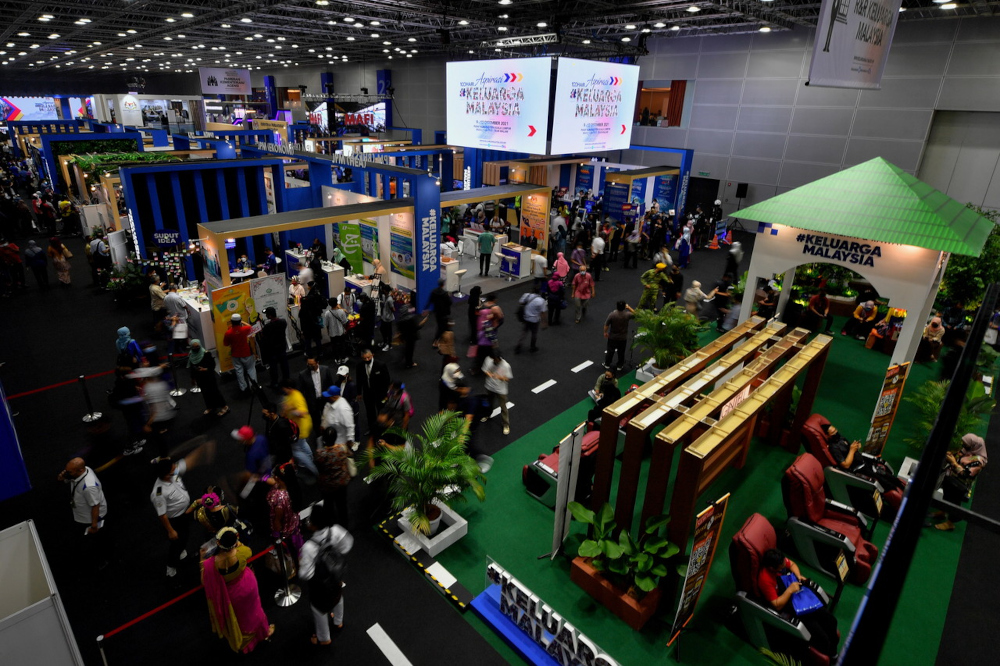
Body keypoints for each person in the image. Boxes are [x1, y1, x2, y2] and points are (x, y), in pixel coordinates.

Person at [201, 527, 274, 653]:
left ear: (218, 543)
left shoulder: (211, 564)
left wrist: (202, 560)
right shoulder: (241, 553)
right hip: (248, 585)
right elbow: (249, 551)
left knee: (241, 617)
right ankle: (263, 631)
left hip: (232, 594)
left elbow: (204, 581)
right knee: (255, 609)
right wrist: (238, 544)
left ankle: (246, 642)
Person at [758, 549, 839, 657]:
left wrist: (798, 576)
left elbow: (792, 564)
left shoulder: (779, 560)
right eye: (781, 567)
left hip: (799, 598)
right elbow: (777, 605)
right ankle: (828, 655)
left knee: (831, 621)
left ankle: (832, 650)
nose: (784, 567)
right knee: (821, 636)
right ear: (771, 568)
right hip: (789, 607)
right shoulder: (765, 579)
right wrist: (790, 590)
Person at [298, 508, 353, 646]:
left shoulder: (309, 547)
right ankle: (338, 621)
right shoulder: (335, 531)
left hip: (320, 584)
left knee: (319, 609)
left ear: (314, 525)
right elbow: (347, 545)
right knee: (338, 596)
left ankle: (324, 638)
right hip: (335, 575)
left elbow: (306, 574)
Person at [821, 424, 904, 508]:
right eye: (833, 432)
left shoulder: (841, 438)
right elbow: (845, 465)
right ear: (827, 435)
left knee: (893, 479)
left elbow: (851, 451)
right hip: (859, 470)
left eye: (835, 430)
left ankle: (904, 490)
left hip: (866, 464)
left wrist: (856, 447)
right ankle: (901, 502)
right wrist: (852, 450)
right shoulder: (833, 448)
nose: (836, 433)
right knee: (887, 485)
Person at [151, 450, 205, 577]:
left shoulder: (172, 474)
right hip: (176, 520)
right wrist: (170, 530)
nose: (175, 467)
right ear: (165, 474)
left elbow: (187, 463)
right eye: (173, 467)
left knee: (184, 537)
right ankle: (171, 570)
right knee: (177, 543)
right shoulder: (158, 493)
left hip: (185, 511)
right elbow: (162, 514)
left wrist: (199, 453)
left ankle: (182, 555)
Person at [58, 457, 108, 570]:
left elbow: (95, 506)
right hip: (81, 514)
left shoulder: (89, 487)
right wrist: (64, 477)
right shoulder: (84, 471)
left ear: (80, 470)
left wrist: (94, 525)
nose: (67, 473)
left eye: (69, 472)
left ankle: (100, 561)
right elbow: (72, 479)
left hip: (89, 519)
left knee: (93, 541)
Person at [932, 433, 987, 532]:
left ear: (973, 445)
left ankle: (950, 523)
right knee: (946, 496)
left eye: (965, 444)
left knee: (954, 502)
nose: (963, 446)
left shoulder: (978, 461)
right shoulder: (967, 450)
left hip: (959, 484)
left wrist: (953, 462)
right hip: (950, 478)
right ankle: (943, 512)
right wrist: (951, 455)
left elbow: (965, 474)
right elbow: (957, 455)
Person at [315, 427, 353, 529]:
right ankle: (345, 525)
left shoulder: (320, 454)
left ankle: (330, 524)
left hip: (327, 484)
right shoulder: (342, 448)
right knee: (342, 504)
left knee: (328, 504)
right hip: (342, 481)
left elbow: (318, 465)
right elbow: (350, 454)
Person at [279, 380, 317, 479]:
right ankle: (310, 458)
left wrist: (291, 409)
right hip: (299, 427)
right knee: (303, 444)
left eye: (284, 388)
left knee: (295, 450)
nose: (283, 390)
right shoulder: (291, 395)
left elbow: (302, 412)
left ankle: (311, 467)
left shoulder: (297, 397)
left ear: (289, 387)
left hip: (299, 429)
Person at [267, 463, 303, 558]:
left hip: (285, 530)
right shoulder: (293, 486)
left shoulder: (279, 499)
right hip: (294, 523)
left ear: (279, 479)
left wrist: (276, 536)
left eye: (275, 476)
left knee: (288, 549)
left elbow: (277, 522)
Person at [188, 339, 228, 417]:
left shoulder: (206, 353)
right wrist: (192, 378)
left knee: (215, 392)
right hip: (199, 378)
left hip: (209, 377)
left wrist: (205, 369)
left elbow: (212, 365)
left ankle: (224, 407)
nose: (196, 348)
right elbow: (192, 367)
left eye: (197, 346)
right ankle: (210, 407)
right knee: (205, 393)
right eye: (194, 347)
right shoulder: (191, 355)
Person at [297, 355, 336, 435]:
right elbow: (300, 390)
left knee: (327, 418)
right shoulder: (303, 374)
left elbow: (330, 384)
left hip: (324, 399)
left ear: (317, 363)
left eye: (312, 364)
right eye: (308, 364)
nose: (310, 366)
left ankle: (328, 435)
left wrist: (332, 399)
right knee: (316, 421)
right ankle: (318, 436)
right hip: (312, 402)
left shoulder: (325, 370)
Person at [357, 349, 391, 433]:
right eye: (364, 358)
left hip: (380, 393)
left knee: (381, 410)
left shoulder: (380, 365)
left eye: (368, 357)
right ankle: (372, 428)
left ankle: (382, 429)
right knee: (369, 411)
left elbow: (387, 380)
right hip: (367, 393)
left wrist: (387, 393)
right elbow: (359, 380)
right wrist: (359, 393)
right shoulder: (360, 366)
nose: (367, 360)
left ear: (372, 355)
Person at [223, 314, 258, 394]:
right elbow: (250, 326)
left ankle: (243, 388)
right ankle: (253, 387)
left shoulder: (228, 332)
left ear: (231, 322)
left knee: (239, 371)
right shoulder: (245, 329)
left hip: (235, 354)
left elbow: (226, 344)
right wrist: (242, 321)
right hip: (247, 353)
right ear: (240, 321)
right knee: (251, 369)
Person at [482, 349, 512, 435]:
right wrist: (489, 374)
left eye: (495, 359)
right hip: (490, 387)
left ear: (499, 358)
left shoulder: (506, 366)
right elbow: (485, 370)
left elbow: (507, 378)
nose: (494, 361)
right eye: (493, 359)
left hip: (501, 390)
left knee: (503, 407)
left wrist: (499, 377)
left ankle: (506, 424)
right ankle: (487, 415)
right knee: (489, 403)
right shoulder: (488, 359)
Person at [259, 307, 289, 388]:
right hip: (282, 347)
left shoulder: (268, 326)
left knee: (273, 367)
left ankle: (275, 382)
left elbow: (263, 336)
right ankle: (287, 380)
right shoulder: (283, 322)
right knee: (284, 365)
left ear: (269, 316)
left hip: (272, 350)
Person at [515, 287, 548, 354]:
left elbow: (520, 302)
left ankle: (518, 346)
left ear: (531, 290)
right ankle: (532, 347)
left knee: (524, 332)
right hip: (535, 320)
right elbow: (543, 312)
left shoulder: (526, 295)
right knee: (534, 333)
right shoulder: (541, 301)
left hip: (526, 318)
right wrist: (544, 322)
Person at [604, 301, 635, 371]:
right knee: (621, 352)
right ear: (624, 307)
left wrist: (605, 332)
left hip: (613, 337)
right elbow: (637, 314)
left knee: (610, 351)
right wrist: (629, 307)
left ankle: (607, 364)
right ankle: (620, 365)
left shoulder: (612, 315)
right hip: (623, 337)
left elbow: (606, 324)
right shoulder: (627, 314)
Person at [299, 281, 326, 357]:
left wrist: (302, 329)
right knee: (317, 339)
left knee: (308, 340)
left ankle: (309, 353)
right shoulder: (317, 297)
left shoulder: (304, 309)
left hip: (308, 325)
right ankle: (320, 352)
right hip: (316, 322)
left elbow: (302, 318)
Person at [323, 298, 350, 363]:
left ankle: (337, 359)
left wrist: (328, 332)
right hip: (341, 331)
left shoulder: (327, 313)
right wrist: (345, 329)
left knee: (334, 346)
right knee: (342, 345)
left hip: (332, 332)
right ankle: (343, 358)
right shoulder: (341, 311)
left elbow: (327, 324)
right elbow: (344, 322)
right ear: (337, 303)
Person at [429, 279, 452, 346]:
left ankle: (443, 337)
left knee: (440, 324)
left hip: (437, 311)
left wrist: (426, 309)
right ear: (443, 284)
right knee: (441, 327)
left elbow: (430, 300)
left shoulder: (433, 292)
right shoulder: (445, 293)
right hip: (444, 312)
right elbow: (450, 302)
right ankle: (436, 340)